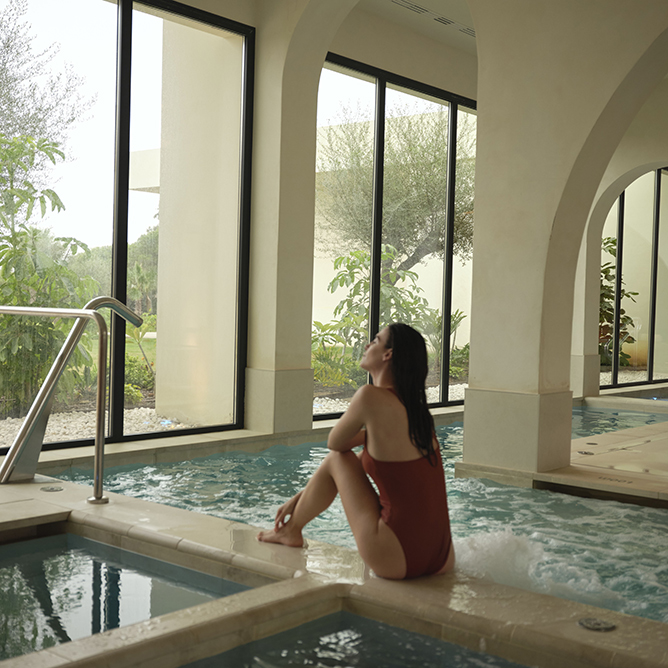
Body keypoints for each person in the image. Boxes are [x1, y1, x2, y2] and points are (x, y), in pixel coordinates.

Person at [257, 323, 454, 580]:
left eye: (375, 339)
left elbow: (336, 444)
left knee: (338, 458)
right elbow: (367, 467)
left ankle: (290, 531)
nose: (366, 345)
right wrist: (301, 496)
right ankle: (294, 524)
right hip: (441, 558)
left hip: (395, 558)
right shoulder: (416, 414)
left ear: (388, 354)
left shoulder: (370, 396)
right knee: (346, 461)